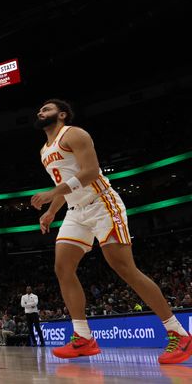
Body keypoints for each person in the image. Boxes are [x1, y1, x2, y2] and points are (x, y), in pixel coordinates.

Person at [31, 99, 191, 363]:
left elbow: (91, 172)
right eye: (39, 110)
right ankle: (83, 337)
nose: (40, 112)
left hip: (102, 203)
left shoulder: (74, 134)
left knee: (123, 267)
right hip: (76, 211)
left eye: (46, 109)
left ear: (61, 114)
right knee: (63, 267)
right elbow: (65, 182)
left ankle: (178, 333)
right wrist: (51, 211)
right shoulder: (43, 151)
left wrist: (52, 195)